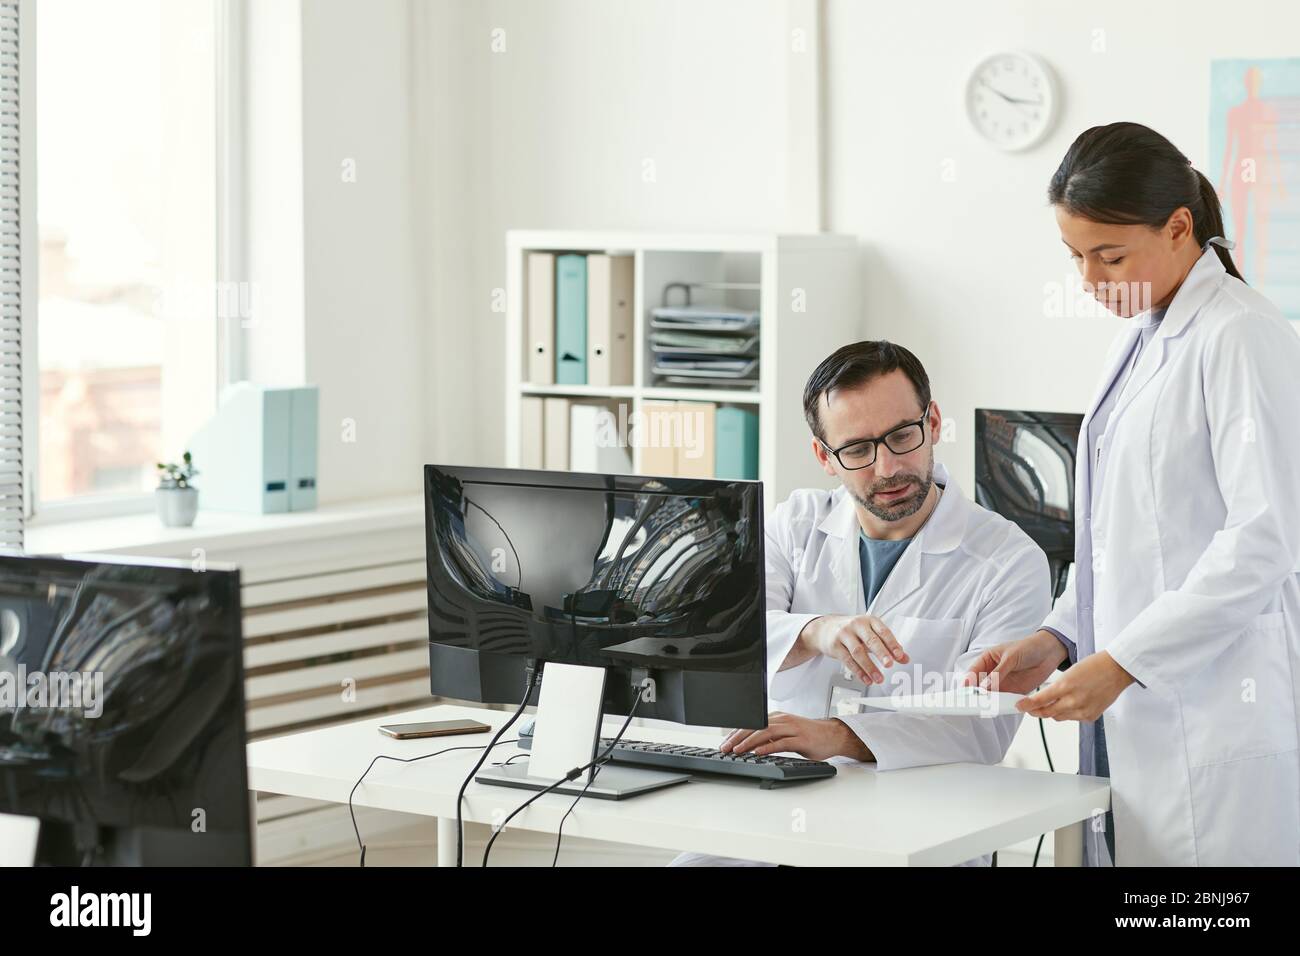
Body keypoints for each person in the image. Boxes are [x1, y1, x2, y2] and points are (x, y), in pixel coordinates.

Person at [964, 122, 1300, 866]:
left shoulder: (1240, 335)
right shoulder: (1144, 334)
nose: (1089, 280)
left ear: (1179, 227)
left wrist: (1124, 661)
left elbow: (1263, 539)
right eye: (1076, 257)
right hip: (1141, 710)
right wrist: (1060, 637)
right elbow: (1118, 541)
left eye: (1108, 255)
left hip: (1216, 713)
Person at [670, 340, 1051, 866]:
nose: (887, 467)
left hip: (921, 830)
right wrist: (814, 631)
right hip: (777, 812)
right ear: (825, 457)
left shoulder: (1009, 560)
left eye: (902, 436)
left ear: (934, 423)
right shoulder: (794, 525)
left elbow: (979, 727)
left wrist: (836, 737)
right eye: (857, 450)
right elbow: (723, 638)